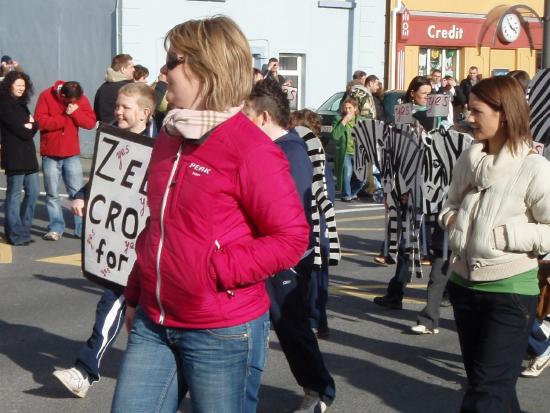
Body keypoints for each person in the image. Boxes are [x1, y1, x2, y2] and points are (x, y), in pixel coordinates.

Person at [111, 16, 309, 413]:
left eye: (173, 60)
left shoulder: (251, 149)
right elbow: (159, 226)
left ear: (208, 68)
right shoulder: (169, 138)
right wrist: (134, 294)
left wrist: (215, 270)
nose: (163, 71)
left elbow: (291, 238)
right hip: (154, 321)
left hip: (221, 329)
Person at [439, 76, 550, 412]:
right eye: (467, 110)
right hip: (463, 286)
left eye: (476, 111)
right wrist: (452, 221)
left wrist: (506, 236)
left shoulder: (534, 168)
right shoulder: (469, 159)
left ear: (504, 113)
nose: (468, 117)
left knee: (485, 396)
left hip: (511, 293)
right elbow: (450, 204)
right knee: (490, 388)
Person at [52, 82, 157, 398]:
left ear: (145, 112)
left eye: (125, 107)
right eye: (117, 106)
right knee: (112, 301)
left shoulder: (166, 143)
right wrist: (84, 195)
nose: (117, 112)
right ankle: (85, 371)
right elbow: (101, 176)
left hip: (160, 247)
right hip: (125, 251)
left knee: (161, 324)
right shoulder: (113, 136)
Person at [244, 80, 336, 413]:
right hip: (262, 252)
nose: (242, 121)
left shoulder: (290, 151)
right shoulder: (277, 148)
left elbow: (289, 209)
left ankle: (320, 390)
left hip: (284, 257)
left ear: (265, 117)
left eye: (247, 114)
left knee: (291, 327)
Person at [289, 108, 340, 339]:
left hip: (310, 222)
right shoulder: (316, 155)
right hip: (319, 223)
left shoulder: (305, 154)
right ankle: (319, 319)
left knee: (308, 272)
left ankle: (312, 319)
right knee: (318, 274)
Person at [34, 80, 96, 240]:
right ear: (62, 95)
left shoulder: (80, 97)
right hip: (50, 153)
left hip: (71, 153)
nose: (73, 103)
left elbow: (90, 123)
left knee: (77, 193)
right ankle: (55, 228)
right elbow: (39, 122)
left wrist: (75, 113)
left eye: (76, 101)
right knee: (52, 194)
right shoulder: (46, 95)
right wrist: (63, 118)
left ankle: (81, 229)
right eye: (69, 101)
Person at [0, 71, 39, 246]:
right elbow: (22, 131)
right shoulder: (5, 105)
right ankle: (14, 233)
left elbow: (34, 125)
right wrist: (29, 125)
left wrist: (30, 125)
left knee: (33, 192)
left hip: (29, 156)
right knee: (14, 195)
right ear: (10, 86)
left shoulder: (22, 104)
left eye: (23, 86)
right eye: (18, 85)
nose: (21, 89)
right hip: (14, 155)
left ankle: (23, 229)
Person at [332, 96, 366, 201]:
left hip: (358, 153)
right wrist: (344, 121)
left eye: (350, 108)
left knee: (362, 178)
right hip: (345, 151)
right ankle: (346, 195)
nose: (347, 110)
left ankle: (352, 192)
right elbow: (335, 136)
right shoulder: (338, 119)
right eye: (345, 108)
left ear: (355, 108)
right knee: (347, 171)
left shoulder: (361, 121)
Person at [93, 54, 134, 123]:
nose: (134, 69)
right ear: (123, 69)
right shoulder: (128, 88)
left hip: (103, 130)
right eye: (131, 67)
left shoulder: (102, 88)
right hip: (122, 131)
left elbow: (96, 114)